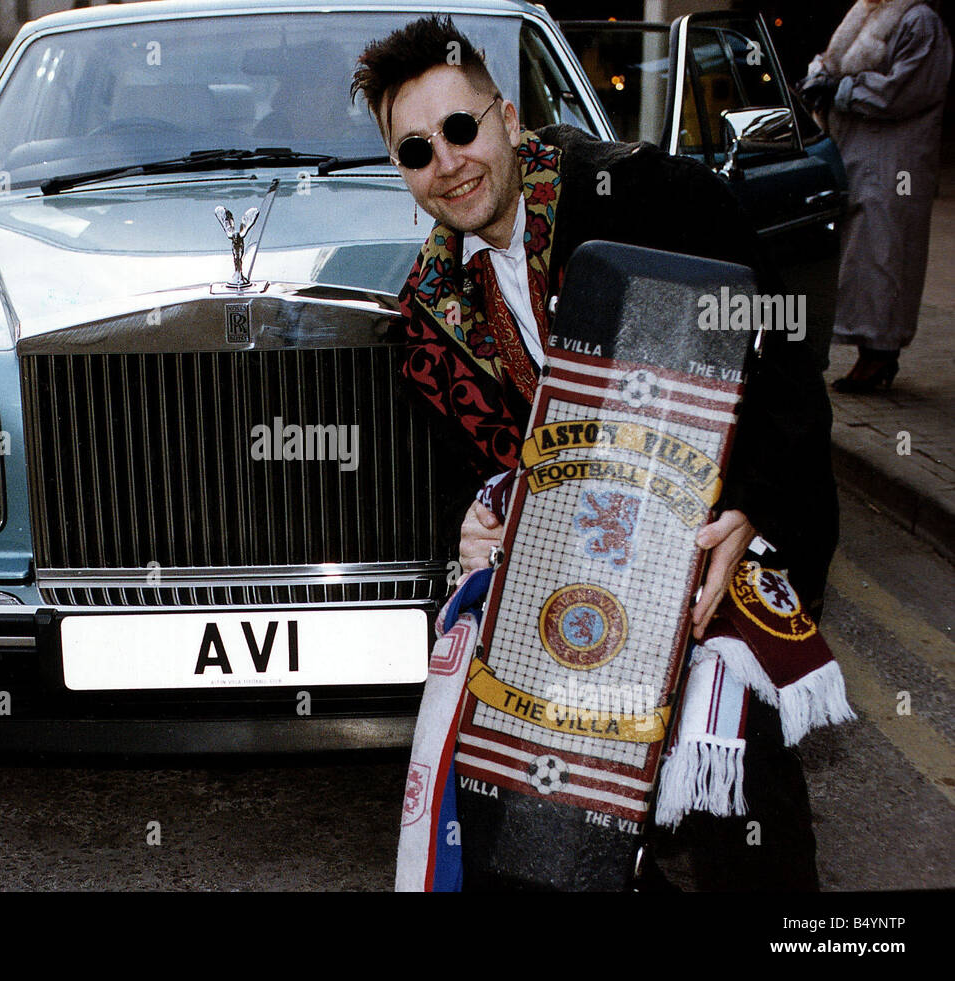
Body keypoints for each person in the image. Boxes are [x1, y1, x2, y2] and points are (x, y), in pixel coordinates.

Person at [351, 15, 840, 890]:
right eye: (417, 150)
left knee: (739, 790)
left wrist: (753, 504)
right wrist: (469, 530)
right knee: (535, 819)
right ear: (402, 169)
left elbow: (780, 358)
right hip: (563, 591)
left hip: (702, 547)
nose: (449, 163)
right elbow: (460, 476)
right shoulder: (427, 313)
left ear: (505, 116)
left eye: (461, 129)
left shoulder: (649, 196)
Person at [799, 0, 952, 393]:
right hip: (857, 152)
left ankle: (880, 354)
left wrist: (843, 91)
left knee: (888, 251)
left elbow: (906, 90)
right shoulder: (865, 10)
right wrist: (819, 78)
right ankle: (871, 353)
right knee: (865, 254)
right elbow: (831, 60)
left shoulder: (919, 20)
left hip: (896, 159)